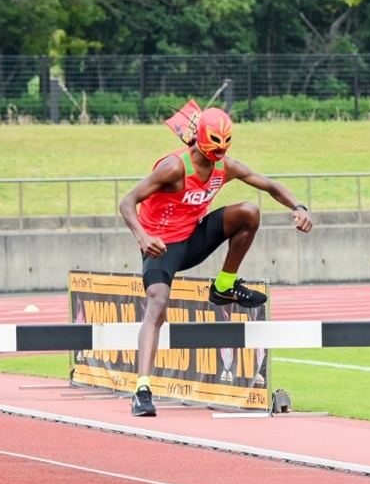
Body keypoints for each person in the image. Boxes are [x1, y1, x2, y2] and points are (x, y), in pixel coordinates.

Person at [118, 107, 314, 417]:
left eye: (221, 152)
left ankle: (223, 286)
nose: (215, 161)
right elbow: (126, 201)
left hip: (194, 239)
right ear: (198, 141)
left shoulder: (225, 166)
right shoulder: (173, 168)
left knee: (249, 211)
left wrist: (299, 206)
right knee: (157, 303)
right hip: (161, 246)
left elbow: (268, 184)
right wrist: (143, 238)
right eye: (211, 153)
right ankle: (142, 389)